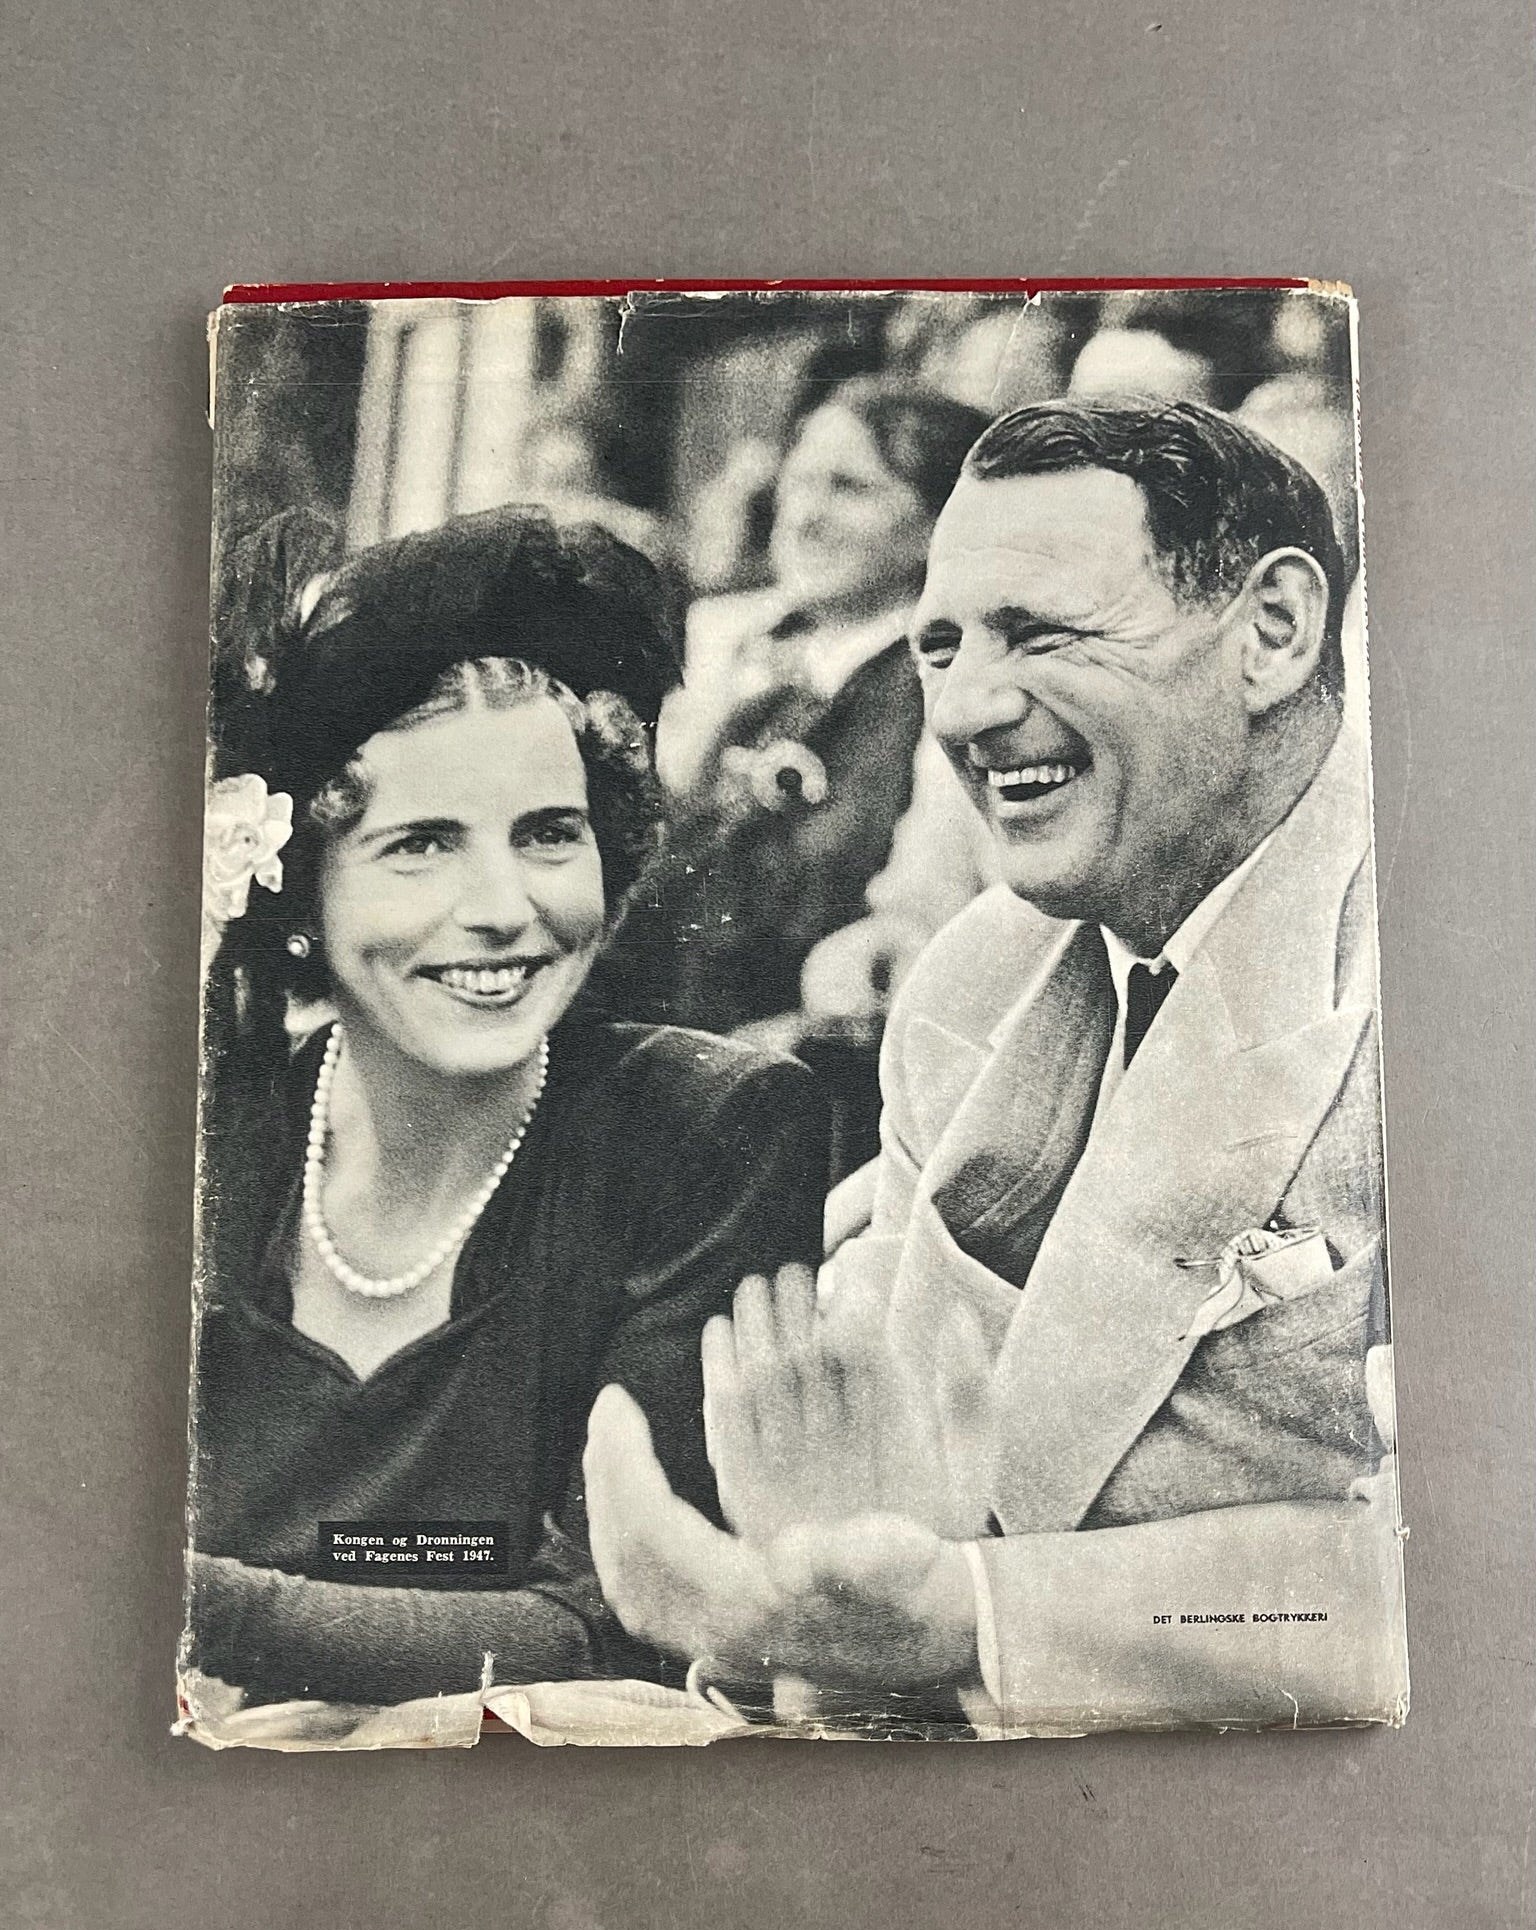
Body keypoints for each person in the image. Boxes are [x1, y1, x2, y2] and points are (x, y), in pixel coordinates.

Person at [584, 400, 1407, 1735]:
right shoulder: (974, 980)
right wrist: (820, 1603)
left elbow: (1470, 1568)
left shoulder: (1458, 971)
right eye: (941, 645)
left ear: (1272, 630)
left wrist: (974, 1616)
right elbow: (895, 1522)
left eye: (1042, 633)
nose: (964, 711)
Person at [186, 504, 828, 1714]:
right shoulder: (210, 1134)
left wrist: (169, 1601)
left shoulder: (707, 1130)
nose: (500, 906)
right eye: (421, 843)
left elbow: (614, 1622)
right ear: (302, 888)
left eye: (548, 834)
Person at [630, 377, 994, 1053]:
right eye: (798, 483)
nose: (805, 516)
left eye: (849, 488)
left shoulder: (943, 686)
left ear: (935, 525)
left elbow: (919, 925)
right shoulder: (746, 666)